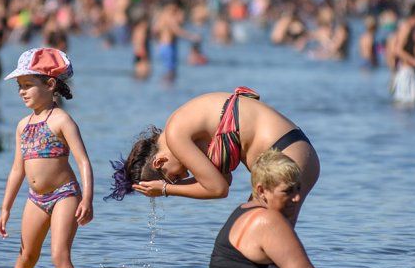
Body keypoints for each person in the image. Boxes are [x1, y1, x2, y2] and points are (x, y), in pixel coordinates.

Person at [107, 86, 319, 228]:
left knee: (259, 237)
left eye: (175, 177)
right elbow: (222, 180)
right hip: (291, 153)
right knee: (244, 233)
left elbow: (218, 189)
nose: (185, 175)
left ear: (159, 161)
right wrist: (165, 187)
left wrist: (164, 189)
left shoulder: (175, 134)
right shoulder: (186, 130)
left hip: (286, 159)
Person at [0, 47, 94, 268]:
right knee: (26, 257)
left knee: (59, 256)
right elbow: (17, 170)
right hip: (35, 199)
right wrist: (5, 208)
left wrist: (87, 199)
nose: (22, 91)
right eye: (19, 86)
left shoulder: (62, 120)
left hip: (65, 195)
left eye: (27, 85)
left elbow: (83, 161)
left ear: (50, 85)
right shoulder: (23, 125)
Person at [203, 149, 328, 268]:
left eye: (298, 188)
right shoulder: (269, 221)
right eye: (288, 191)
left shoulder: (242, 211)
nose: (297, 197)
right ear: (261, 191)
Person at [152, 0, 200, 83]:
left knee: (168, 71)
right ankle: (168, 87)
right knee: (170, 72)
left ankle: (166, 86)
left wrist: (157, 43)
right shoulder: (168, 17)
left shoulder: (161, 16)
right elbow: (177, 31)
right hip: (168, 46)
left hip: (165, 46)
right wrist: (192, 37)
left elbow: (155, 30)